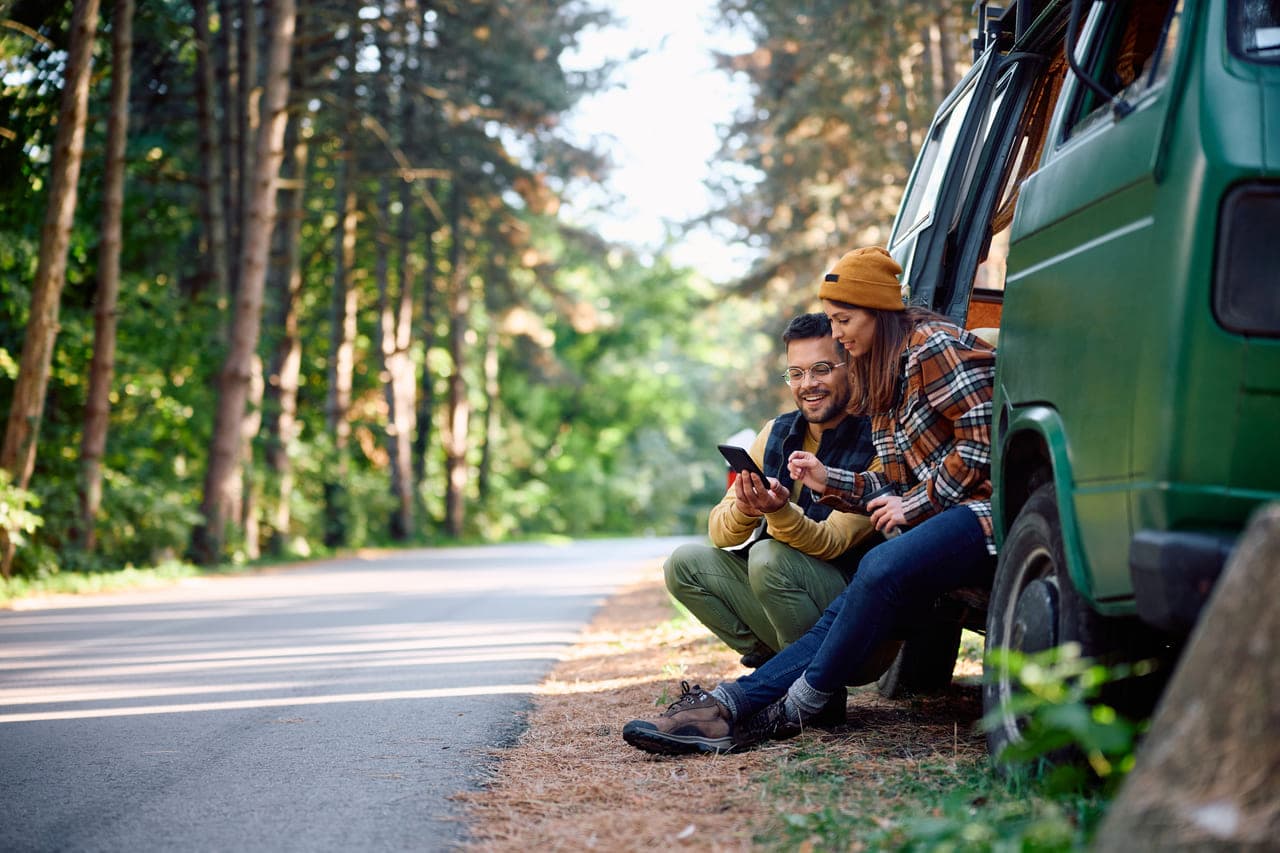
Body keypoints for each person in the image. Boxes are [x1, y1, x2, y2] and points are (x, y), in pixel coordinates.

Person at [623, 246, 998, 756]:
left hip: (985, 512)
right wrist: (829, 480)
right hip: (942, 521)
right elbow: (885, 484)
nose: (839, 332)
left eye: (845, 320)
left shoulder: (933, 344)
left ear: (879, 312)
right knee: (839, 599)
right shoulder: (881, 377)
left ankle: (761, 709)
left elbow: (984, 443)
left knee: (875, 566)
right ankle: (741, 704)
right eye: (796, 372)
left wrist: (914, 505)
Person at [665, 313, 879, 671]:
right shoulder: (776, 432)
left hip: (854, 620)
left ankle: (814, 689)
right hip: (784, 603)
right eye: (796, 373)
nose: (807, 383)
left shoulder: (877, 439)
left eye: (821, 369)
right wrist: (747, 508)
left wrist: (778, 512)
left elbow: (833, 542)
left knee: (768, 556)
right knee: (683, 564)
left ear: (852, 368)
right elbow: (718, 531)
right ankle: (775, 669)